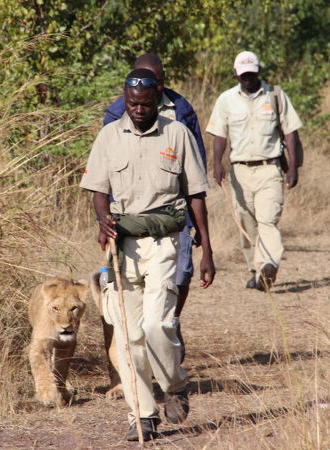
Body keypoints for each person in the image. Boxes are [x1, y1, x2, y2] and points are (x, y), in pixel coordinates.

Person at [80, 68, 215, 441]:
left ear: (158, 98)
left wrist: (207, 249)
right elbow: (98, 189)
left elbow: (196, 195)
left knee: (158, 325)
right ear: (124, 99)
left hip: (165, 242)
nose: (137, 110)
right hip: (122, 247)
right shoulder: (109, 136)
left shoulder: (177, 133)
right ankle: (142, 415)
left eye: (144, 103)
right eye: (131, 103)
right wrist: (103, 219)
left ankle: (174, 385)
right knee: (127, 336)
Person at [104, 53, 206, 362]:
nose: (154, 86)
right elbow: (107, 169)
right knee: (130, 290)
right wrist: (106, 219)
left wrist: (198, 225)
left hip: (175, 214)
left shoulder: (181, 109)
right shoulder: (117, 113)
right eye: (148, 80)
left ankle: (169, 322)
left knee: (181, 274)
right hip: (130, 219)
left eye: (159, 81)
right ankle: (147, 353)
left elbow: (195, 168)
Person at [206, 51, 303, 290]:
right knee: (246, 222)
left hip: (269, 169)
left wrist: (293, 167)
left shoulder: (276, 95)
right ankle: (256, 270)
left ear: (258, 71)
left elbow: (290, 132)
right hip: (240, 171)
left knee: (267, 220)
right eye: (243, 74)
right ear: (237, 74)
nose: (248, 78)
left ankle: (269, 264)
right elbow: (220, 135)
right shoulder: (226, 99)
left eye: (251, 73)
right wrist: (217, 164)